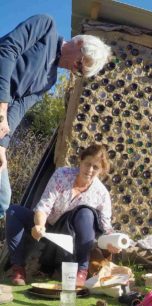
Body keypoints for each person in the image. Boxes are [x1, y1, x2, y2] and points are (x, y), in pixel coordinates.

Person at [0, 14, 112, 218]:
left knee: (2, 198)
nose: (74, 69)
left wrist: (3, 144)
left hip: (2, 114)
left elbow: (21, 106)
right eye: (79, 64)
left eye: (80, 72)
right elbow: (7, 51)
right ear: (78, 43)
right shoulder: (45, 27)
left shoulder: (50, 80)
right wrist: (2, 104)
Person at [6, 143, 120, 287]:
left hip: (71, 237)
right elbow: (44, 204)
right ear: (81, 161)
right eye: (87, 164)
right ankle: (18, 268)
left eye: (95, 167)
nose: (90, 170)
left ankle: (82, 270)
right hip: (49, 228)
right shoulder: (62, 174)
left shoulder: (102, 193)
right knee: (14, 211)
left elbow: (105, 225)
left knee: (86, 213)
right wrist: (39, 225)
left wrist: (113, 242)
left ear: (102, 170)